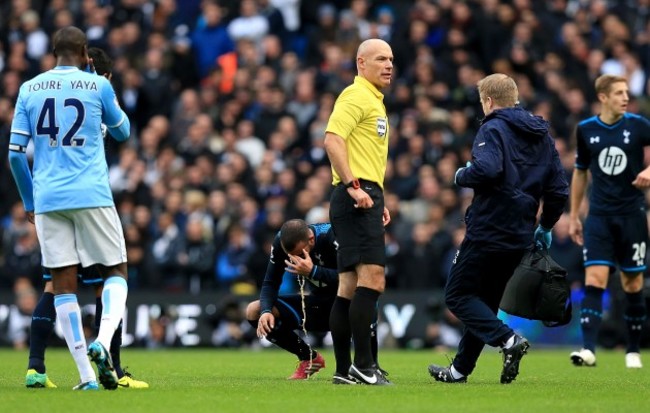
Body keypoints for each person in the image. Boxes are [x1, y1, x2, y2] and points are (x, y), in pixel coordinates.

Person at [8, 26, 131, 390]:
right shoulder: (98, 85)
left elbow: (15, 155)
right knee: (117, 268)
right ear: (85, 56)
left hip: (47, 199)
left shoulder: (29, 88)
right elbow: (123, 132)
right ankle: (103, 342)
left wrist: (30, 200)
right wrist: (102, 90)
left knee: (61, 283)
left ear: (52, 53)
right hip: (91, 193)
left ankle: (86, 377)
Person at [427, 73, 569, 384]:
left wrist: (462, 174)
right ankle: (459, 370)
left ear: (489, 101)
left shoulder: (492, 128)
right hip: (520, 233)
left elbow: (487, 168)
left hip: (489, 228)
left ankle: (507, 340)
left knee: (458, 295)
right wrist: (545, 226)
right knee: (486, 300)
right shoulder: (542, 135)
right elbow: (559, 190)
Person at [324, 38, 393, 386]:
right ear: (360, 63)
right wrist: (354, 186)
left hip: (364, 194)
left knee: (348, 286)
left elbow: (366, 154)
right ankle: (364, 366)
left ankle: (343, 370)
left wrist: (379, 196)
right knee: (373, 279)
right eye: (380, 58)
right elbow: (332, 139)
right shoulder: (355, 96)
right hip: (355, 194)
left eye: (391, 59)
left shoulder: (374, 101)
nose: (389, 65)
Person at [568, 74, 650, 369]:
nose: (626, 97)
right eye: (619, 93)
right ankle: (588, 349)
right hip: (599, 216)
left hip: (632, 215)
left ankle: (632, 349)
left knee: (632, 283)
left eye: (626, 92)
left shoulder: (639, 125)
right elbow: (580, 172)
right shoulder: (586, 130)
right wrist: (576, 214)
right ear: (603, 97)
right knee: (595, 279)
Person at [247, 219, 381, 382]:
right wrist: (266, 311)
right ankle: (308, 358)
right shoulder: (281, 240)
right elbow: (270, 282)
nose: (296, 259)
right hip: (317, 304)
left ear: (311, 239)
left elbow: (356, 278)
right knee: (254, 310)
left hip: (346, 306)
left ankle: (370, 366)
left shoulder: (334, 236)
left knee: (368, 301)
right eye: (291, 256)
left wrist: (313, 271)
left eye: (300, 253)